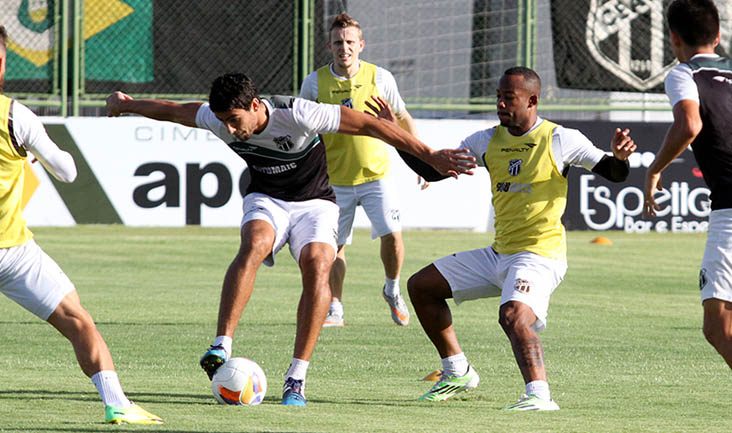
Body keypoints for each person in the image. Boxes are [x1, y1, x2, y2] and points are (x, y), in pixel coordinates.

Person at [105, 73, 475, 406]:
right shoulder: (218, 120)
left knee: (318, 266)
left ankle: (296, 378)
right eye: (223, 122)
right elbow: (173, 110)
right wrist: (126, 105)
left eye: (235, 121)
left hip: (315, 203)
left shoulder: (298, 113)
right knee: (254, 244)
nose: (230, 130)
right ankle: (221, 344)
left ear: (255, 105)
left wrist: (428, 154)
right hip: (266, 198)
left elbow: (367, 125)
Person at [396, 66, 636, 410]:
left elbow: (614, 173)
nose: (500, 104)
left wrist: (621, 158)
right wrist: (392, 132)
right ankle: (457, 370)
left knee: (512, 315)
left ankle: (539, 395)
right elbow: (431, 171)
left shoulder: (560, 139)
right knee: (421, 286)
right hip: (499, 255)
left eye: (509, 98)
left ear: (532, 100)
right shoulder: (486, 141)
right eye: (498, 97)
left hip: (540, 255)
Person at [0, 26, 163, 425]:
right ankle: (117, 404)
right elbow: (68, 172)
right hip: (12, 252)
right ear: (3, 63)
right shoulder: (13, 114)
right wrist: (34, 153)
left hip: (16, 248)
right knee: (77, 319)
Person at [299, 13, 417, 327]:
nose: (344, 48)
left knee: (392, 236)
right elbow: (301, 128)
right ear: (329, 46)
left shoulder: (381, 78)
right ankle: (335, 306)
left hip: (376, 176)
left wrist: (420, 158)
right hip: (334, 181)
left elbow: (403, 118)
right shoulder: (314, 83)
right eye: (338, 42)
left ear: (361, 45)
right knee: (334, 247)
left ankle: (392, 288)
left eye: (350, 42)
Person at [643, 0, 732, 368]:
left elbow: (689, 125)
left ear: (673, 38)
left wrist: (654, 169)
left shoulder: (684, 74)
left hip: (730, 210)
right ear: (719, 35)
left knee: (718, 324)